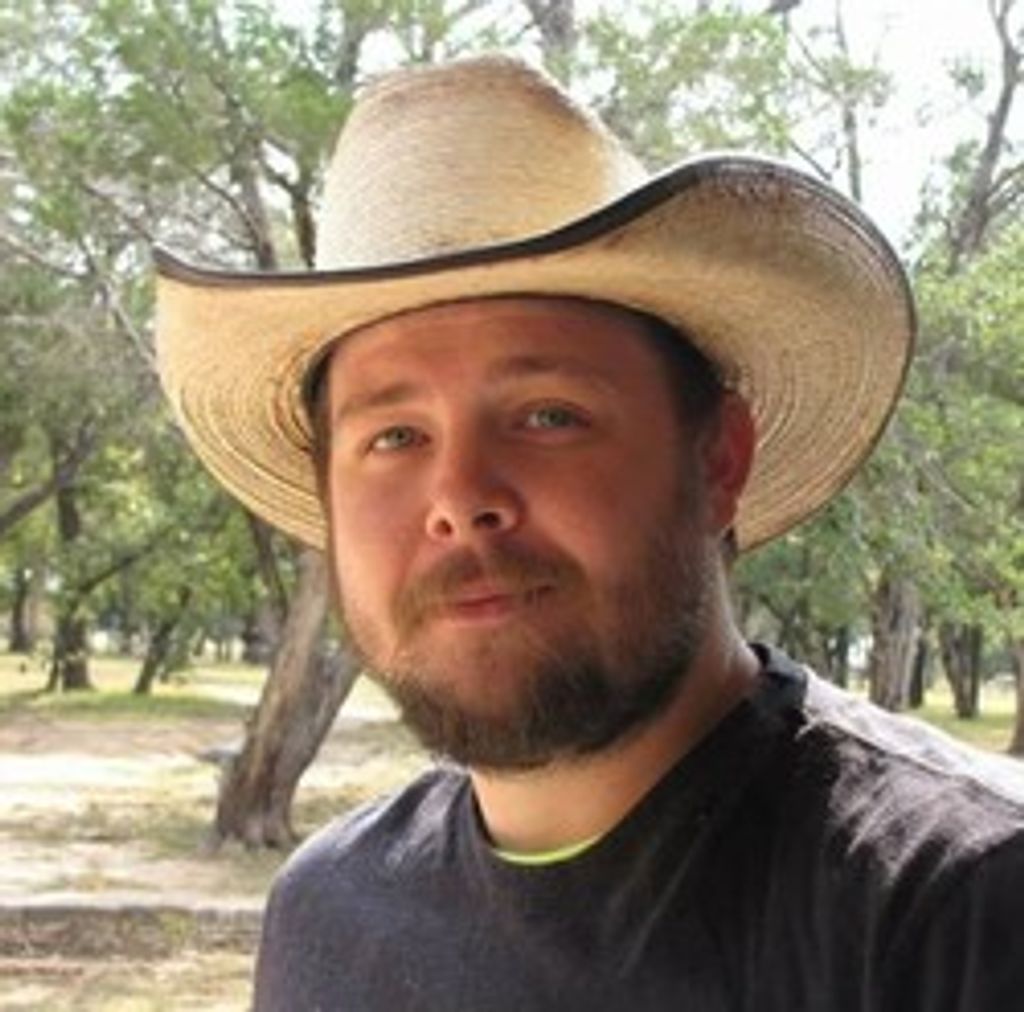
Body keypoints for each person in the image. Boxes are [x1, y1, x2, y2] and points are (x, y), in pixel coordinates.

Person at [155, 56, 1024, 1011]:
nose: (460, 497)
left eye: (547, 415)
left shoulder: (960, 907)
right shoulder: (328, 916)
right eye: (394, 436)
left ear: (718, 461)